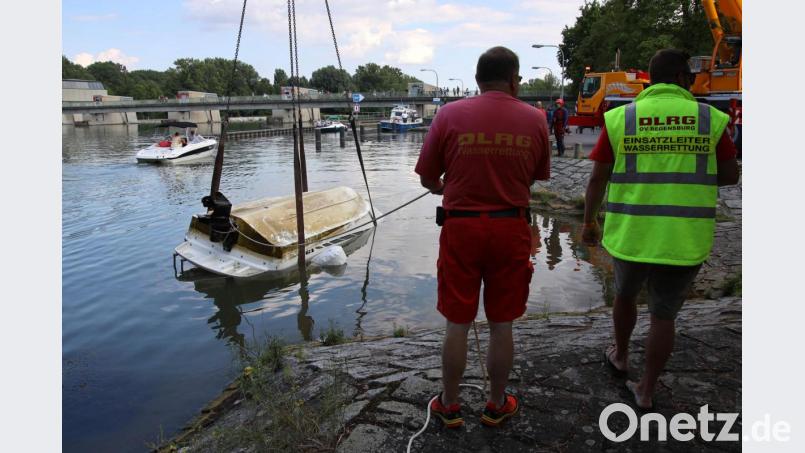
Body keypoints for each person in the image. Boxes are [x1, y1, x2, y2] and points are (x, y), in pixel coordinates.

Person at [581, 49, 740, 410]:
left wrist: (589, 222)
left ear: (650, 79)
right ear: (685, 78)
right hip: (684, 238)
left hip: (631, 234)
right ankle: (647, 389)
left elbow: (597, 178)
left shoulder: (622, 118)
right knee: (663, 315)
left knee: (624, 296)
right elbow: (730, 175)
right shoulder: (711, 119)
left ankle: (620, 355)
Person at [415, 46, 550, 428]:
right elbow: (535, 176)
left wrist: (445, 187)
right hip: (510, 229)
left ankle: (450, 404)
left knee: (458, 321)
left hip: (461, 228)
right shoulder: (536, 119)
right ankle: (495, 404)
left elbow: (427, 178)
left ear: (476, 80)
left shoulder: (448, 114)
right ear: (514, 80)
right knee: (501, 322)